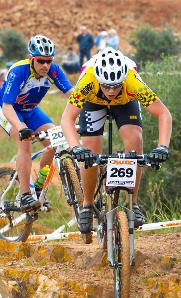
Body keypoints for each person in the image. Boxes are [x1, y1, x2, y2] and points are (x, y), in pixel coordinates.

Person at [61, 47, 172, 234]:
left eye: (116, 86)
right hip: (93, 101)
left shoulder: (131, 81)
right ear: (98, 80)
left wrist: (162, 147)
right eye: (106, 86)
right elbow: (66, 118)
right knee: (90, 151)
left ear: (123, 80)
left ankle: (133, 204)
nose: (111, 91)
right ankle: (87, 204)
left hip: (126, 102)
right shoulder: (88, 81)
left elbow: (163, 113)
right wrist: (75, 148)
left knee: (135, 141)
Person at [0, 35, 73, 210]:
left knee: (56, 140)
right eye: (40, 61)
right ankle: (25, 194)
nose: (45, 65)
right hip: (8, 110)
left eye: (49, 61)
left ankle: (39, 187)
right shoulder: (19, 71)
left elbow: (73, 95)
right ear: (31, 58)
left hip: (31, 111)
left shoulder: (54, 70)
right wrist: (20, 128)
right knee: (25, 143)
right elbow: (7, 105)